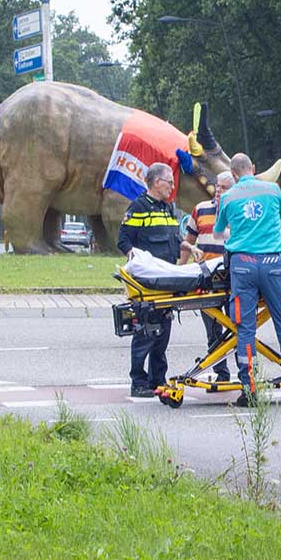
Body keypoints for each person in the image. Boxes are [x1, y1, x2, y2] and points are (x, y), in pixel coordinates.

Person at [215, 152, 281, 406]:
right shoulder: (272, 189)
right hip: (272, 265)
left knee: (245, 329)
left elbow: (218, 233)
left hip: (242, 266)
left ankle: (250, 390)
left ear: (233, 175)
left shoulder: (227, 197)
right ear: (253, 168)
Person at [118, 162, 182, 400]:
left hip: (167, 279)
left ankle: (158, 378)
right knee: (146, 331)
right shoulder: (139, 208)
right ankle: (139, 380)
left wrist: (187, 247)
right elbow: (124, 240)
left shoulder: (168, 208)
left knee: (163, 331)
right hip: (148, 283)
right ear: (157, 182)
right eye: (170, 182)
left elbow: (174, 238)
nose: (172, 186)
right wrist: (135, 259)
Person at [183, 171, 234, 384]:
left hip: (232, 279)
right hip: (207, 280)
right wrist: (180, 268)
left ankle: (245, 371)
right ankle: (221, 372)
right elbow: (188, 241)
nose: (219, 191)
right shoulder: (200, 209)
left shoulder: (237, 211)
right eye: (218, 187)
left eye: (224, 188)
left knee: (238, 329)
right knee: (213, 331)